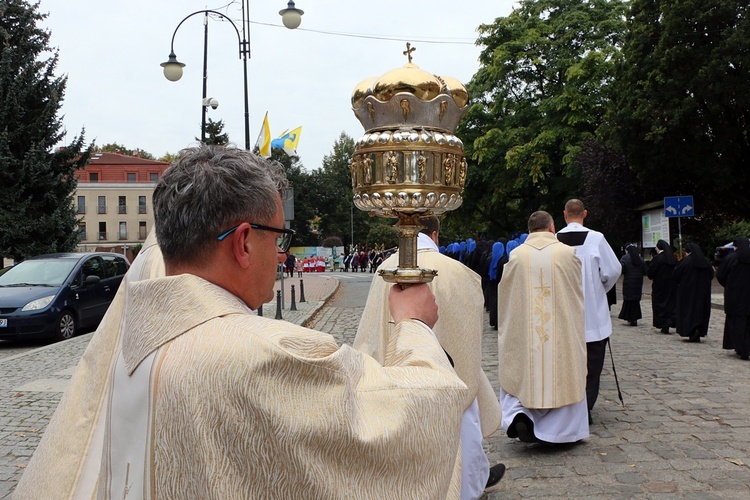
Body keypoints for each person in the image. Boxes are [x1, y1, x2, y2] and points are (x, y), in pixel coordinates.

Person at [15, 146, 469, 499]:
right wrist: (414, 327)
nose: (283, 254)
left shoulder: (131, 345)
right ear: (245, 242)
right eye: (280, 238)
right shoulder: (266, 356)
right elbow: (409, 424)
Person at [355, 215, 506, 498]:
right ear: (435, 235)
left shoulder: (384, 267)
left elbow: (370, 327)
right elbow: (468, 335)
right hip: (446, 374)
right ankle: (468, 484)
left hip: (395, 371)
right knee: (462, 424)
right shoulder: (457, 271)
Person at [497, 211, 588, 444]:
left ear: (529, 230)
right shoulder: (567, 254)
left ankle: (521, 415)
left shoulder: (516, 255)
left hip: (528, 333)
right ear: (551, 227)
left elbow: (506, 295)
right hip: (561, 330)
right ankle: (559, 433)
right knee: (564, 373)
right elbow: (577, 292)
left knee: (524, 375)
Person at [556, 199, 621, 423]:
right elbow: (613, 270)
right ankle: (586, 406)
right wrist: (598, 289)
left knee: (567, 364)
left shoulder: (554, 241)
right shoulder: (596, 239)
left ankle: (569, 406)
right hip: (593, 317)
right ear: (585, 213)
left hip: (563, 317)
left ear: (564, 215)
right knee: (592, 365)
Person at [673, 242, 714, 342]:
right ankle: (699, 330)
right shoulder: (706, 262)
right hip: (703, 292)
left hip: (687, 292)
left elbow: (675, 274)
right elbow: (711, 275)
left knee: (688, 311)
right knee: (700, 311)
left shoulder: (686, 261)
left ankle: (690, 330)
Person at [718, 236, 750, 359]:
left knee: (736, 322)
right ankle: (747, 347)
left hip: (735, 296)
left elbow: (721, 275)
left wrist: (729, 284)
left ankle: (739, 346)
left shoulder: (731, 258)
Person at [647, 239, 678, 334]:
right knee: (670, 304)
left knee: (659, 304)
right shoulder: (672, 258)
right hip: (671, 285)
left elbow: (651, 273)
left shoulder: (657, 258)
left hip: (659, 285)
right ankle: (669, 321)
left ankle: (663, 323)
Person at [618, 243, 646, 326]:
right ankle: (635, 318)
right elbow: (645, 270)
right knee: (635, 301)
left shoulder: (625, 258)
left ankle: (629, 317)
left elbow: (622, 269)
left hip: (628, 282)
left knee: (628, 300)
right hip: (638, 282)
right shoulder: (640, 259)